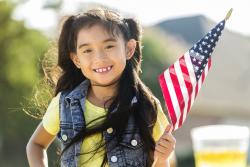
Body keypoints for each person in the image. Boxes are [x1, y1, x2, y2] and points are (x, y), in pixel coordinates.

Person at [26, 8, 176, 167]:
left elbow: (160, 162)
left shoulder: (147, 106)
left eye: (109, 46)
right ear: (77, 60)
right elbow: (36, 145)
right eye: (87, 50)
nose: (99, 58)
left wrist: (162, 159)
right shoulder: (64, 104)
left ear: (129, 49)